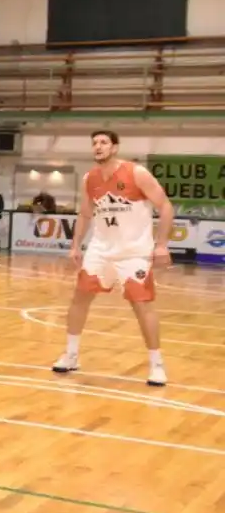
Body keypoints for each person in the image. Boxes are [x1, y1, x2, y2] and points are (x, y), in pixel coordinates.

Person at [51, 130, 173, 386]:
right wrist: (75, 246)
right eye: (94, 142)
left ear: (115, 148)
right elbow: (85, 214)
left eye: (104, 142)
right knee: (80, 297)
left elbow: (165, 206)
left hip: (134, 251)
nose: (98, 146)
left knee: (142, 305)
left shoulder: (136, 173)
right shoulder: (89, 178)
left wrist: (161, 245)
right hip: (101, 249)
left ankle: (156, 364)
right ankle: (71, 354)